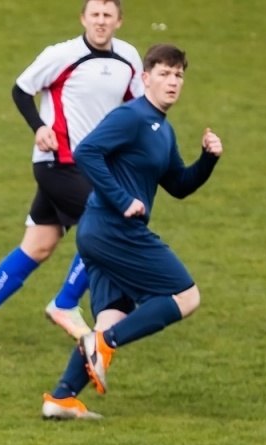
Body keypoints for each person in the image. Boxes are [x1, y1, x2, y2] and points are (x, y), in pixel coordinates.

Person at [40, 42, 223, 419]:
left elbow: (179, 184)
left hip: (100, 234)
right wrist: (123, 199)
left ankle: (60, 398)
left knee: (114, 317)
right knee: (186, 296)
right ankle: (101, 344)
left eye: (178, 75)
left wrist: (208, 160)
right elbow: (88, 151)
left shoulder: (162, 130)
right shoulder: (132, 116)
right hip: (113, 229)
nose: (172, 82)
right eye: (164, 73)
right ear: (145, 78)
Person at [0, 0, 142, 352]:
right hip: (58, 161)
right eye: (95, 15)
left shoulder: (128, 59)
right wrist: (39, 126)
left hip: (95, 166)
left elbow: (137, 106)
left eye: (107, 16)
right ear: (83, 18)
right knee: (108, 225)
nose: (100, 22)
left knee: (39, 245)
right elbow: (21, 89)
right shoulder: (62, 54)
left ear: (119, 21)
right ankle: (65, 304)